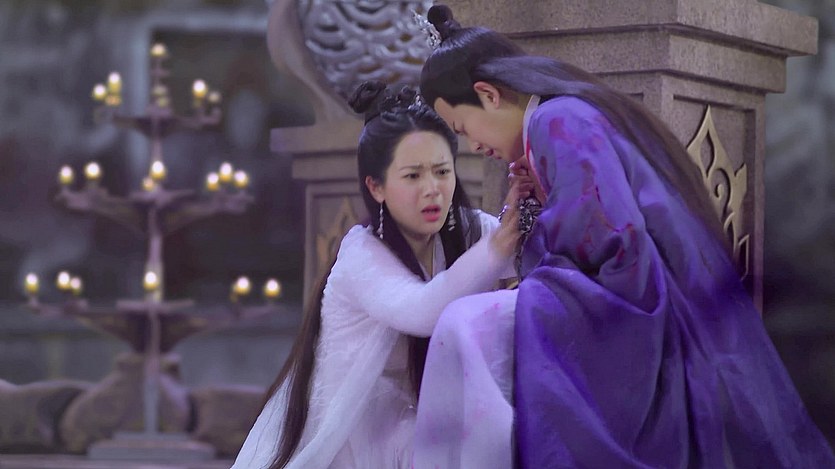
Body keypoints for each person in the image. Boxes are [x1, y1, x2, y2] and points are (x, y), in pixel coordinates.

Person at [413, 4, 835, 468]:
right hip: (666, 297)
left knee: (463, 325)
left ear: (488, 95)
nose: (473, 145)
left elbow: (610, 245)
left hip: (642, 304)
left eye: (462, 127)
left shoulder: (558, 122)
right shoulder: (558, 121)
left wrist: (532, 242)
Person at [230, 81, 520, 469]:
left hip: (414, 424)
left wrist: (527, 211)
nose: (432, 190)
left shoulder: (467, 231)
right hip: (350, 436)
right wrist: (498, 248)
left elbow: (529, 257)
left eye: (441, 171)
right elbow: (423, 310)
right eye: (413, 176)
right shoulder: (361, 254)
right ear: (376, 187)